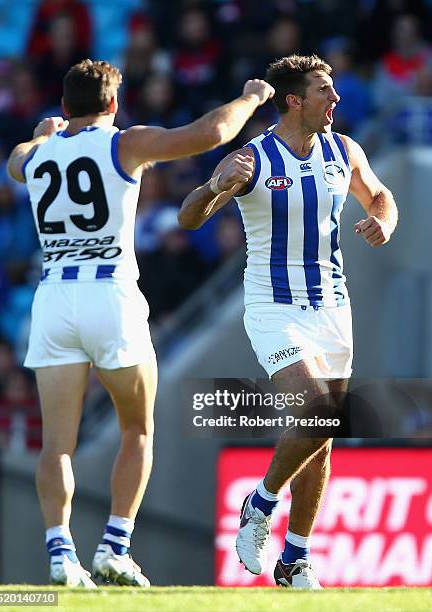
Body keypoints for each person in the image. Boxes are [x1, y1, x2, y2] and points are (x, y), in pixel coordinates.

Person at [6, 59, 274, 588]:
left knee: (56, 444)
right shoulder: (123, 143)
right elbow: (211, 134)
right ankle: (114, 547)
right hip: (109, 294)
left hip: (54, 296)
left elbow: (15, 160)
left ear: (63, 108)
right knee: (137, 429)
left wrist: (41, 136)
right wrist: (252, 98)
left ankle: (60, 553)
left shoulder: (35, 157)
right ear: (112, 105)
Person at [178, 54, 398, 589]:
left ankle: (295, 558)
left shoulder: (343, 150)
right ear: (295, 99)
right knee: (319, 411)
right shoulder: (252, 159)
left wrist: (383, 221)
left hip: (332, 306)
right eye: (325, 90)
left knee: (322, 436)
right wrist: (212, 188)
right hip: (273, 307)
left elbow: (381, 196)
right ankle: (260, 504)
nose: (336, 99)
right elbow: (188, 217)